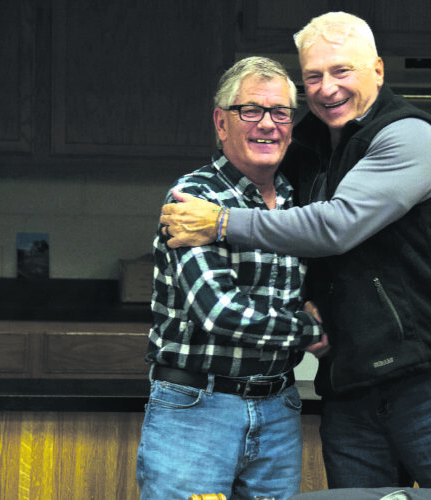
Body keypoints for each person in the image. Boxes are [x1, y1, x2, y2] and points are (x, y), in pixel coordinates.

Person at [160, 12, 431, 500]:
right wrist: (305, 297)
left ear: (378, 70)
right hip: (351, 390)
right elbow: (294, 244)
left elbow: (335, 226)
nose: (327, 88)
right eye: (313, 76)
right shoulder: (306, 145)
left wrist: (220, 222)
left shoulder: (410, 136)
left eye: (342, 70)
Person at [136, 56, 327, 500]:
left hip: (279, 409)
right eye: (251, 110)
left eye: (280, 112)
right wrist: (310, 330)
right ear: (221, 123)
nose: (268, 124)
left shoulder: (300, 200)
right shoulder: (193, 197)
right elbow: (219, 312)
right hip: (196, 409)